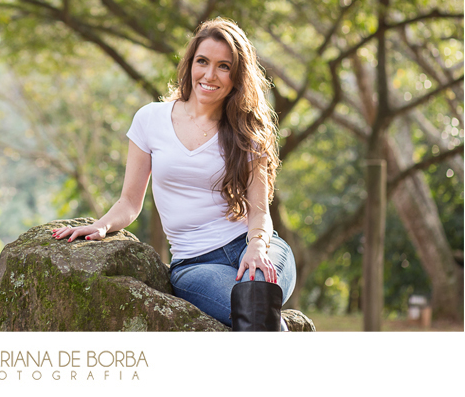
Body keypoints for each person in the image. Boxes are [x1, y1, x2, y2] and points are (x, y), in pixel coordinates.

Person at [52, 18, 296, 330]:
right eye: (202, 62)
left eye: (224, 66)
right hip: (196, 264)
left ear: (237, 76)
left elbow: (260, 211)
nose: (210, 75)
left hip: (255, 245)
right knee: (255, 309)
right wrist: (101, 226)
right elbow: (129, 201)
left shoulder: (247, 132)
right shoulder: (150, 119)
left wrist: (256, 247)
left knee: (257, 293)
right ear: (190, 64)